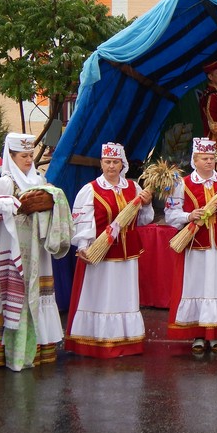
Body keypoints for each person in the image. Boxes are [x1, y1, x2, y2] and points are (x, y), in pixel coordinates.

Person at [65, 142, 154, 358]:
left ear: (122, 164)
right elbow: (83, 222)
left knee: (124, 295)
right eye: (107, 162)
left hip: (127, 253)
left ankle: (126, 339)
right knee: (102, 295)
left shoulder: (134, 188)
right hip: (102, 253)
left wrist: (147, 204)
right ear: (101, 163)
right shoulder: (90, 190)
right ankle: (98, 339)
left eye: (115, 162)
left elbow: (145, 220)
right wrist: (84, 246)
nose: (111, 166)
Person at [0, 132, 72, 371]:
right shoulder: (5, 181)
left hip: (38, 248)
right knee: (15, 296)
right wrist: (12, 204)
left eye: (30, 155)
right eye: (23, 156)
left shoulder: (40, 179)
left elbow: (54, 203)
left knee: (39, 293)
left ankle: (39, 347)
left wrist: (52, 198)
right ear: (11, 156)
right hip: (13, 246)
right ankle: (11, 350)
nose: (29, 160)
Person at [165, 137, 217, 354]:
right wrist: (189, 215)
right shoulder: (181, 184)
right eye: (204, 158)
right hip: (196, 244)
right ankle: (199, 334)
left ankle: (215, 333)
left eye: (212, 158)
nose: (209, 162)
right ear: (195, 159)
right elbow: (170, 215)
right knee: (197, 285)